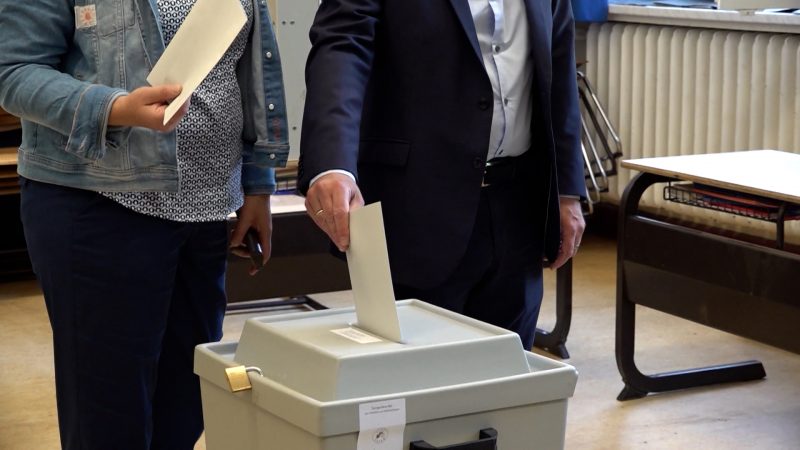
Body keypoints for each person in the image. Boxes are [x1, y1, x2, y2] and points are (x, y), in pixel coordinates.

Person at [0, 0, 288, 448]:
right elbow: (14, 71)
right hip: (98, 204)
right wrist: (114, 108)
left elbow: (251, 64)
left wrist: (258, 182)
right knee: (110, 416)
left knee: (185, 402)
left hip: (207, 209)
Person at [298, 0, 586, 348]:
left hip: (518, 207)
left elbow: (558, 64)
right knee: (419, 381)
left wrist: (568, 191)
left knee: (508, 376)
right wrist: (332, 164)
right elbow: (342, 46)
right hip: (418, 203)